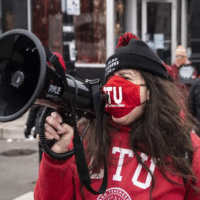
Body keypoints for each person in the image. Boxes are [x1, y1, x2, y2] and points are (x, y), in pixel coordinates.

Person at [34, 32, 200, 200]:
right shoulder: (84, 137)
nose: (114, 86)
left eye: (125, 77)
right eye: (111, 79)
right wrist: (55, 159)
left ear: (150, 91)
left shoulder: (187, 149)